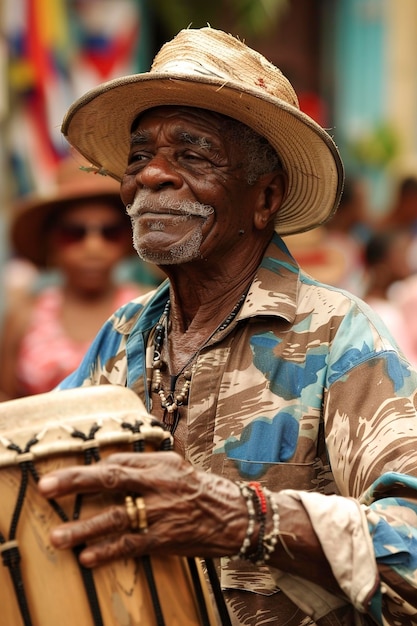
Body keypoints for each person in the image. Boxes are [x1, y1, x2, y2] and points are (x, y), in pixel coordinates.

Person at [34, 27, 417, 626]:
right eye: (140, 157)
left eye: (191, 154)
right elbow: (38, 479)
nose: (152, 176)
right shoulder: (124, 335)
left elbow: (413, 551)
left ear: (265, 198)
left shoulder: (339, 336)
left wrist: (243, 520)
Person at [0, 156, 145, 399]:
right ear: (52, 242)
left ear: (128, 240)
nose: (93, 247)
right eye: (74, 234)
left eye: (109, 233)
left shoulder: (146, 310)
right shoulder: (25, 317)